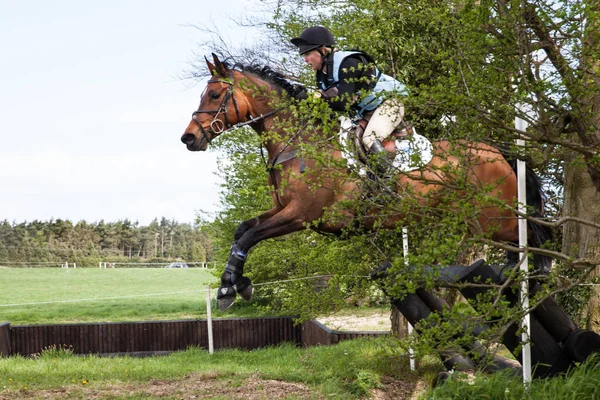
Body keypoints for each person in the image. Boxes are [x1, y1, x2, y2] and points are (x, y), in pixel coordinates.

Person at [291, 26, 408, 177]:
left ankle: (389, 181)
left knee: (369, 139)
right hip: (366, 113)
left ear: (323, 50)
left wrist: (314, 98)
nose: (305, 60)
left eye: (307, 54)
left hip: (389, 104)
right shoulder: (322, 75)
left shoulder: (348, 62)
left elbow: (342, 104)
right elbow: (329, 103)